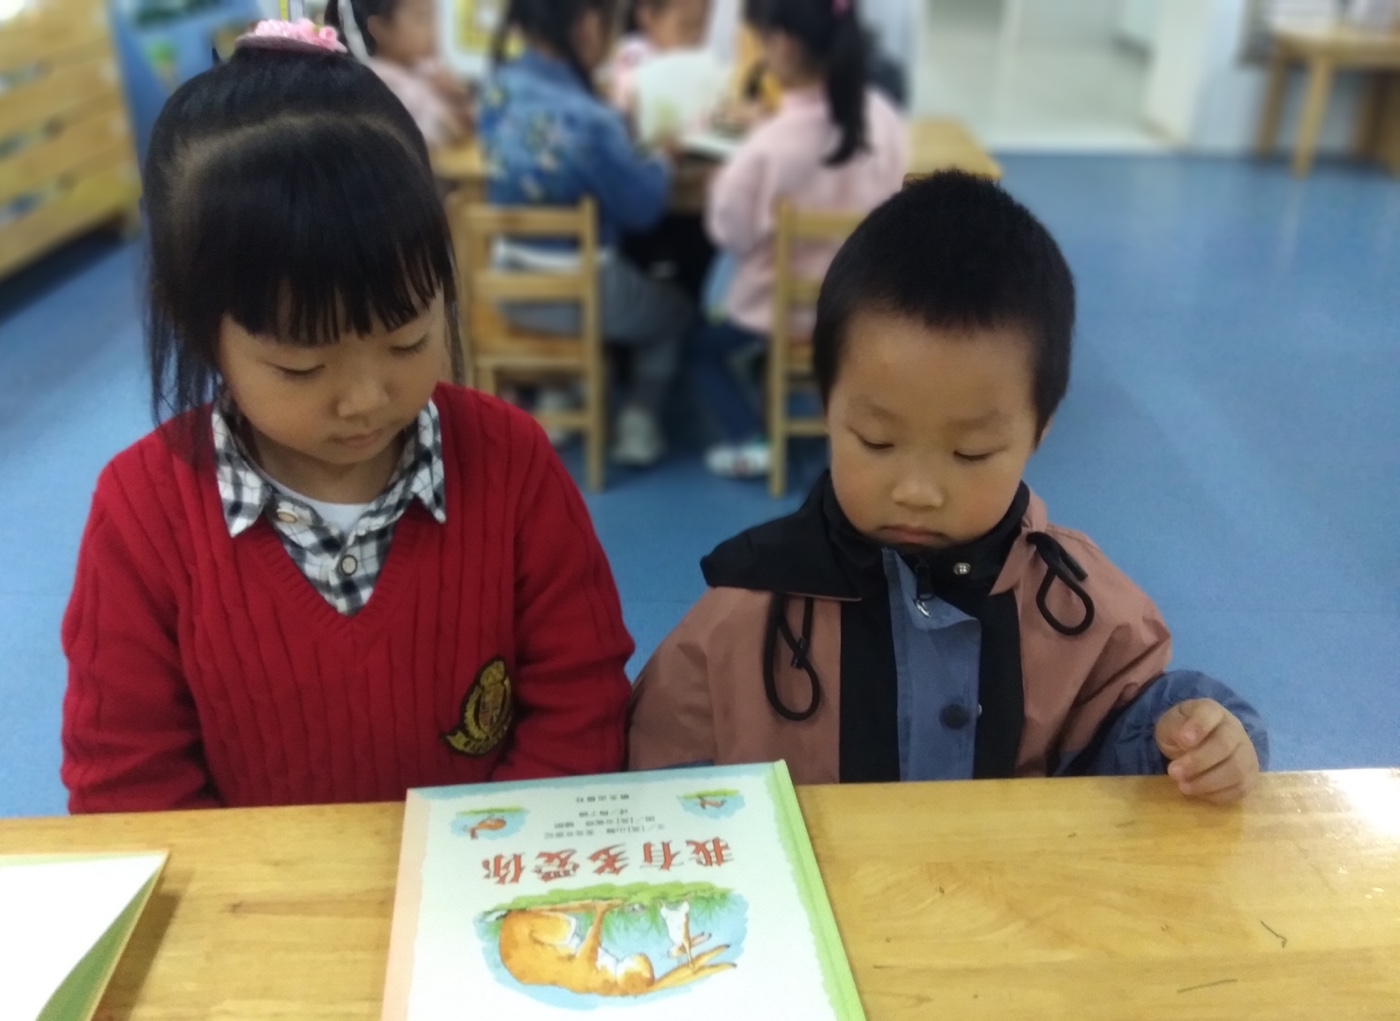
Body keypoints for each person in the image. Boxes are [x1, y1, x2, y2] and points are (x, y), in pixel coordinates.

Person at [61, 20, 633, 813]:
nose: (366, 398)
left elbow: (581, 705)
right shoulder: (142, 513)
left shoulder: (511, 461)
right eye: (301, 366)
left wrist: (487, 853)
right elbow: (128, 785)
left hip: (489, 875)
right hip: (256, 890)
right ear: (197, 328)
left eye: (407, 341)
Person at [630, 174, 1268, 802]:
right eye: (877, 441)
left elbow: (1132, 734)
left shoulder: (1079, 607)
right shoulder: (741, 616)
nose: (918, 492)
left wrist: (1196, 739)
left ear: (1039, 430)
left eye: (971, 453)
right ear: (826, 406)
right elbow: (658, 788)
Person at [691, 0, 908, 479]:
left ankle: (750, 440)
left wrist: (720, 183)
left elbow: (730, 234)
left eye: (763, 41)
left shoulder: (767, 147)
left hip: (779, 310)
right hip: (858, 304)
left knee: (699, 348)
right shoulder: (883, 118)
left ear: (785, 45)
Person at [480, 0, 693, 467]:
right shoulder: (590, 119)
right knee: (676, 314)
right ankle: (639, 420)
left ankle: (562, 393)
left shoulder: (498, 89)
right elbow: (642, 209)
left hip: (507, 282)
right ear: (590, 23)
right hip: (582, 290)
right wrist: (663, 160)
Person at [323, 0, 473, 148]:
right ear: (380, 28)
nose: (433, 29)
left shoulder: (424, 68)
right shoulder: (381, 82)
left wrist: (458, 97)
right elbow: (421, 138)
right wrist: (453, 121)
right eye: (421, 17)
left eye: (434, 17)